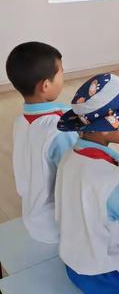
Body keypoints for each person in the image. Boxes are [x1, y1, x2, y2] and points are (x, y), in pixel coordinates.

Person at [55, 74, 119, 293]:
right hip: (111, 275)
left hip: (74, 265)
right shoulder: (113, 180)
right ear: (107, 128)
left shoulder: (69, 158)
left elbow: (93, 186)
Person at [5, 42, 78, 244]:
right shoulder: (59, 129)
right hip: (60, 225)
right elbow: (78, 178)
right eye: (62, 72)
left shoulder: (21, 121)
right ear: (45, 85)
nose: (64, 76)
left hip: (33, 216)